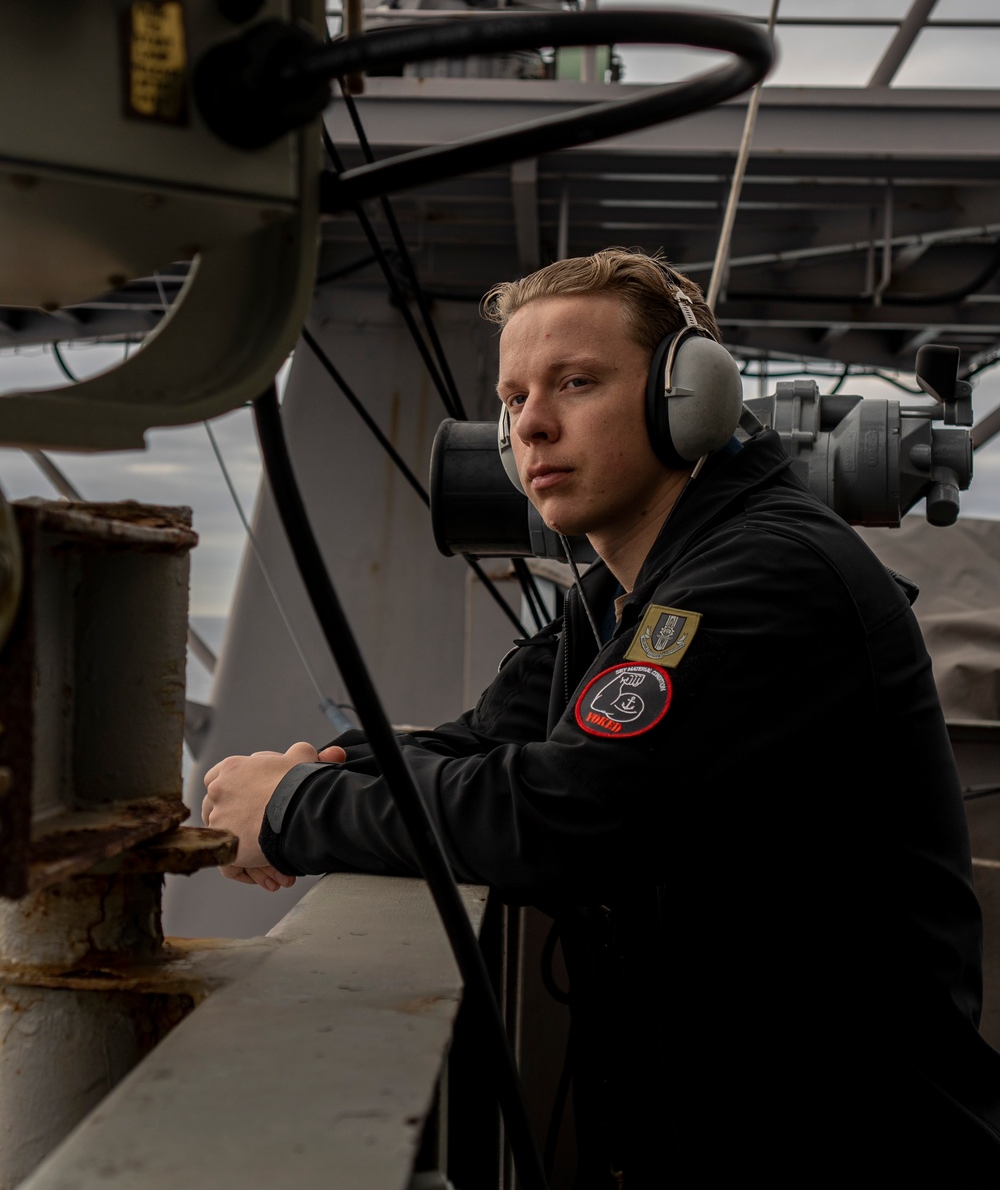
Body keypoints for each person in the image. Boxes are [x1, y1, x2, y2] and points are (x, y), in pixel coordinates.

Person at [203, 249, 1000, 1185]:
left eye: (575, 383)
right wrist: (320, 776)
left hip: (856, 1146)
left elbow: (565, 811)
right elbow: (483, 740)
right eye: (511, 399)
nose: (530, 426)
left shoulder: (763, 580)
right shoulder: (627, 590)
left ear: (687, 400)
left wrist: (297, 811)